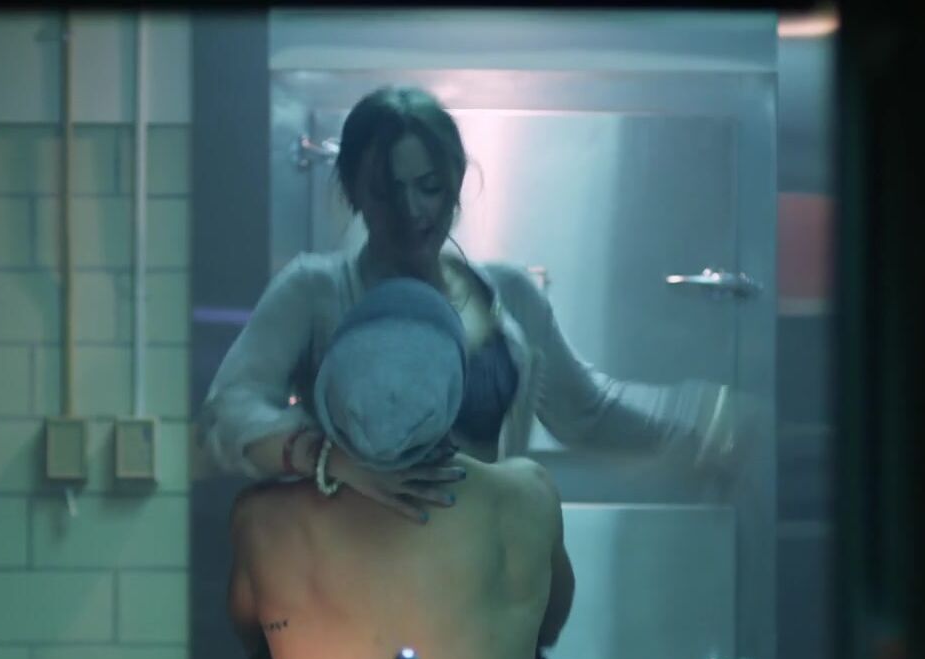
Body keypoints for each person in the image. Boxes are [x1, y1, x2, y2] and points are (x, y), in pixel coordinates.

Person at [199, 84, 742, 524]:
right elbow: (227, 412)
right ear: (354, 192)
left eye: (429, 186)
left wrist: (703, 424)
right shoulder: (314, 290)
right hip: (357, 577)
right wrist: (329, 457)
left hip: (485, 573)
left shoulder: (509, 294)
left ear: (456, 181)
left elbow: (586, 413)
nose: (412, 210)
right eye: (387, 190)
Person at [226, 278, 576, 659]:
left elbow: (255, 637)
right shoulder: (528, 498)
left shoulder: (263, 519)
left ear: (331, 386)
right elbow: (547, 626)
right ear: (455, 388)